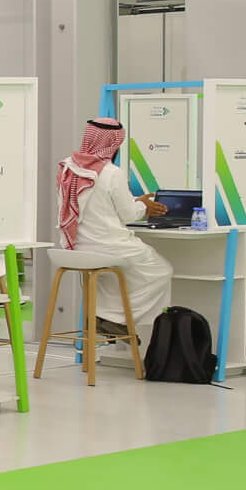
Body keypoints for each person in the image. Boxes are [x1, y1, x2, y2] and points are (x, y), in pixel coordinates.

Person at [56, 118, 171, 339]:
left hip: (77, 248)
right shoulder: (111, 172)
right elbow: (128, 215)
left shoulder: (68, 167)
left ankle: (102, 316)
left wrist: (137, 202)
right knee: (160, 271)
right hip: (108, 247)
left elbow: (93, 204)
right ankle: (116, 319)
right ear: (114, 143)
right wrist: (144, 206)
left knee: (113, 278)